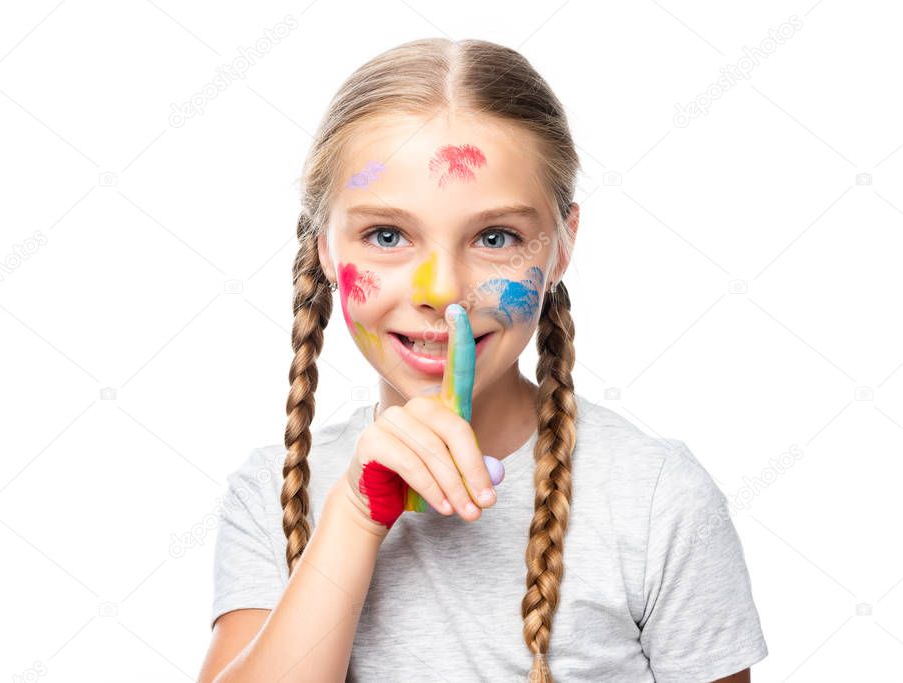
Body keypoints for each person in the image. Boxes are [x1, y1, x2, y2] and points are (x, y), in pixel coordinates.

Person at [197, 37, 768, 682]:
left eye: (495, 237)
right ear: (324, 247)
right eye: (387, 235)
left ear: (561, 245)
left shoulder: (658, 499)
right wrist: (355, 517)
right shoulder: (275, 488)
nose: (440, 290)